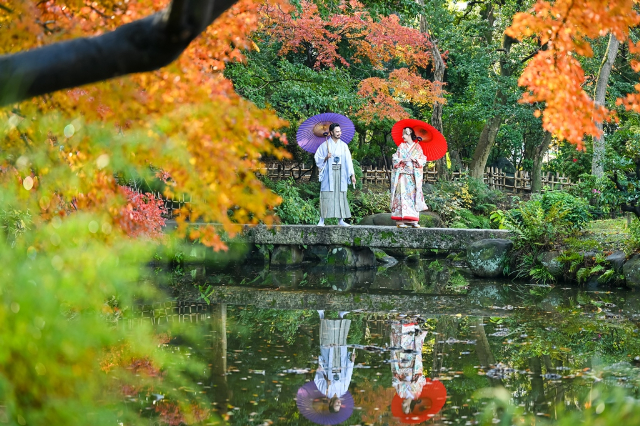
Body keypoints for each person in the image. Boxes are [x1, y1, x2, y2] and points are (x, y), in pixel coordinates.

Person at [314, 123, 356, 227]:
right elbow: (317, 158)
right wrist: (325, 157)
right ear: (331, 132)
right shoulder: (324, 145)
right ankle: (321, 220)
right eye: (337, 132)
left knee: (340, 195)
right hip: (329, 173)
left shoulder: (344, 146)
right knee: (326, 194)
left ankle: (341, 219)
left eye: (340, 131)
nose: (339, 133)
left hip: (341, 173)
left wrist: (352, 174)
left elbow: (348, 161)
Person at [314, 310, 355, 412]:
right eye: (339, 405)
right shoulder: (343, 390)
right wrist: (351, 361)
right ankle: (340, 315)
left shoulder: (325, 391)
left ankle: (321, 314)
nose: (339, 403)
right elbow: (348, 375)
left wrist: (322, 375)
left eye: (336, 405)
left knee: (326, 338)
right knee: (340, 339)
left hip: (329, 362)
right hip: (341, 363)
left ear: (331, 403)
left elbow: (317, 379)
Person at [390, 127, 428, 228]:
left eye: (405, 134)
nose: (403, 137)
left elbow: (423, 160)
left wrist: (415, 159)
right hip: (402, 176)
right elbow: (395, 158)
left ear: (410, 134)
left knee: (413, 197)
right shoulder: (401, 146)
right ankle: (400, 221)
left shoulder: (418, 148)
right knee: (401, 197)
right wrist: (402, 160)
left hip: (413, 177)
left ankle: (413, 220)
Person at [389, 319, 427, 414]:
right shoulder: (417, 393)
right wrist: (415, 381)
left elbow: (394, 381)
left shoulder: (401, 393)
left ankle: (399, 323)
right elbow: (422, 379)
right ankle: (411, 324)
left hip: (400, 364)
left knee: (399, 345)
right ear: (409, 407)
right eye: (405, 407)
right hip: (412, 363)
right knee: (411, 344)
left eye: (402, 406)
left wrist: (400, 381)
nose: (403, 404)